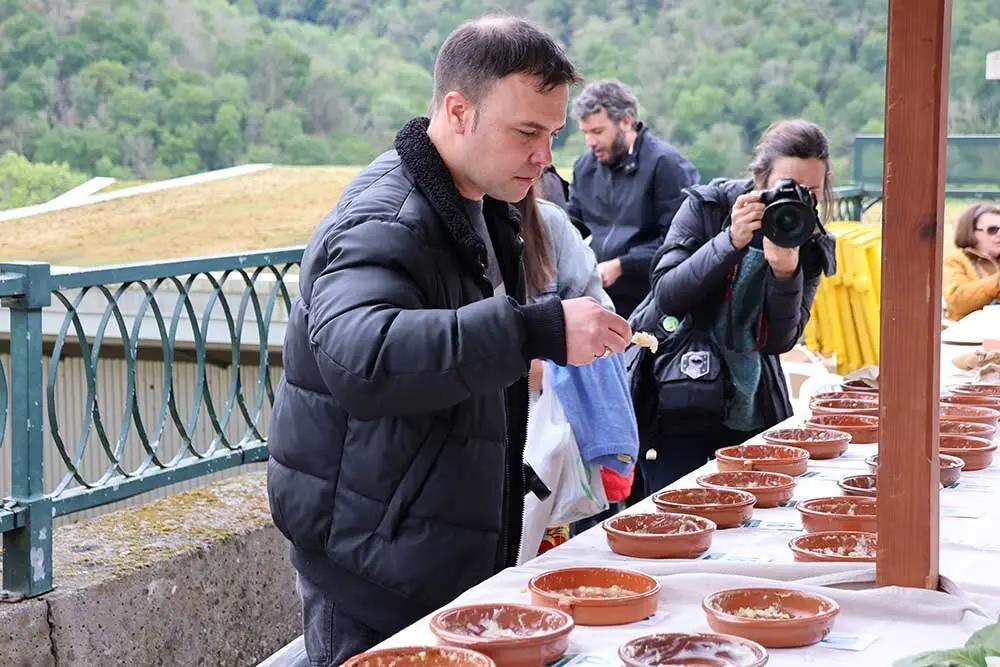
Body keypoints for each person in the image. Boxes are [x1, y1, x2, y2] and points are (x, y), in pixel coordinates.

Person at [265, 16, 633, 665]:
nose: (544, 157)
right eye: (526, 132)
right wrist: (536, 329)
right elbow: (366, 357)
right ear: (458, 111)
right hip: (374, 580)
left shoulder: (488, 206)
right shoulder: (385, 215)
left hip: (440, 563)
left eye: (551, 134)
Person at [629, 119, 837, 497]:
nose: (797, 200)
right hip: (678, 399)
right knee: (676, 509)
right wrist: (730, 241)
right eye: (785, 188)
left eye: (811, 192)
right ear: (760, 179)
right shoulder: (708, 207)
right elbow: (667, 295)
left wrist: (785, 272)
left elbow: (780, 340)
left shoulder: (808, 239)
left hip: (751, 405)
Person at [515, 185, 637, 555]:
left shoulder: (549, 224)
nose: (542, 156)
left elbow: (602, 327)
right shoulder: (426, 222)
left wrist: (544, 369)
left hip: (546, 439)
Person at [568, 80, 701, 319]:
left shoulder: (667, 166)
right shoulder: (584, 167)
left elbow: (683, 241)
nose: (590, 142)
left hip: (653, 302)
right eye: (586, 133)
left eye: (598, 131)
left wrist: (622, 265)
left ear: (627, 121)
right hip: (598, 299)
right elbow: (573, 227)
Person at [943, 202, 1000, 321]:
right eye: (993, 230)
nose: (999, 234)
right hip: (967, 336)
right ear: (971, 232)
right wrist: (995, 283)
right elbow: (956, 303)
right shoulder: (955, 261)